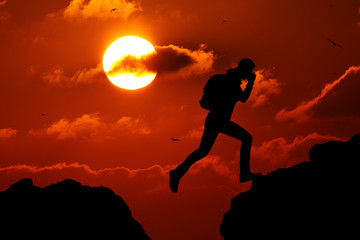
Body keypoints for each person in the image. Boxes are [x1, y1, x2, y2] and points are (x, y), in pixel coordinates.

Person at [169, 58, 259, 193]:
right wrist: (250, 83)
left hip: (217, 120)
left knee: (202, 151)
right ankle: (244, 173)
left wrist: (250, 83)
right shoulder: (228, 82)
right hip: (217, 120)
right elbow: (205, 102)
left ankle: (177, 173)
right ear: (244, 70)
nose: (249, 74)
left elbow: (242, 98)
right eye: (249, 71)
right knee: (246, 138)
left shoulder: (232, 82)